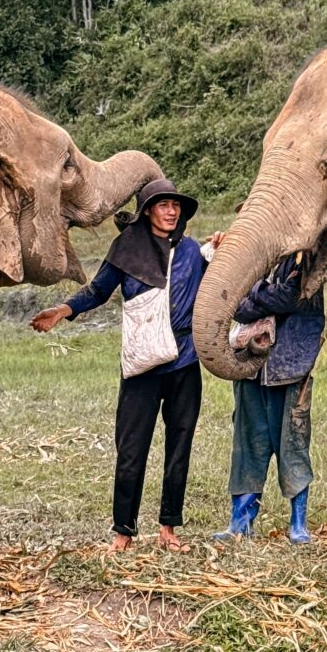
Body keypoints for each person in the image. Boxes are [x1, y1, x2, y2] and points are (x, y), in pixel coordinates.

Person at [30, 178, 213, 553]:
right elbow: (99, 291)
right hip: (143, 366)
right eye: (163, 205)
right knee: (131, 449)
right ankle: (124, 532)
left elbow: (214, 287)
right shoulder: (126, 249)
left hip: (185, 362)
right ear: (147, 211)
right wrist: (65, 310)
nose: (171, 211)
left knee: (180, 447)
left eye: (175, 206)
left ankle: (168, 529)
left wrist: (221, 251)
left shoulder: (193, 252)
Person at [213, 250, 325, 544]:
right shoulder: (252, 258)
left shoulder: (308, 258)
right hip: (251, 367)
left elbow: (292, 296)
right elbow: (236, 306)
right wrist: (264, 294)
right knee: (247, 445)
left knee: (293, 445)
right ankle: (240, 523)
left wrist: (254, 291)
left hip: (290, 367)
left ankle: (298, 524)